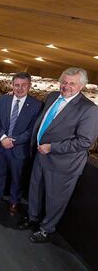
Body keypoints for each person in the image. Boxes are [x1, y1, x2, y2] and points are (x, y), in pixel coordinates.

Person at [19, 67, 98, 243]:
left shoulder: (89, 109)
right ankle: (32, 218)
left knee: (55, 198)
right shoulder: (53, 96)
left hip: (63, 162)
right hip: (41, 154)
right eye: (64, 82)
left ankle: (47, 229)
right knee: (35, 189)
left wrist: (52, 147)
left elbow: (85, 141)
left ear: (82, 86)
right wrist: (15, 96)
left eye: (72, 83)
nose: (66, 86)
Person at [0, 72, 42, 215]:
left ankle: (14, 201)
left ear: (29, 86)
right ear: (12, 85)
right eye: (17, 85)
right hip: (1, 145)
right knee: (0, 173)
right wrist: (2, 138)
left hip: (19, 148)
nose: (19, 88)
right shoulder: (3, 100)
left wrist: (15, 141)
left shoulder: (37, 105)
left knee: (17, 177)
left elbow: (33, 130)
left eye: (23, 85)